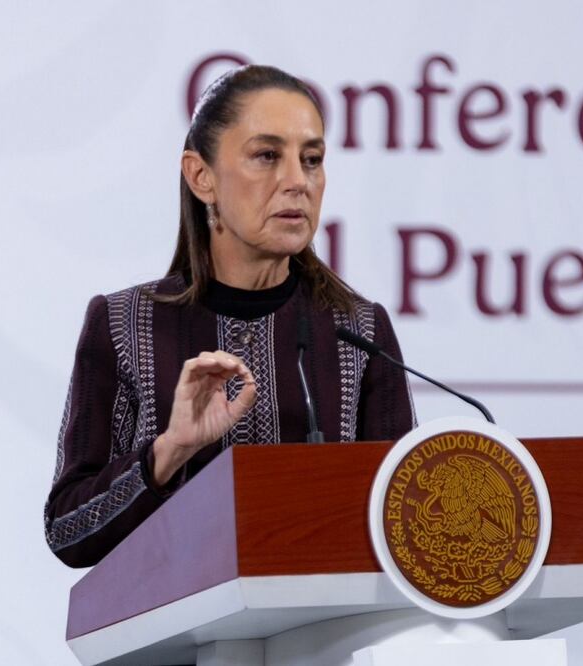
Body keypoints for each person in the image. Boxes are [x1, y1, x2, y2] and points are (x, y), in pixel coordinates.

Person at [44, 65, 416, 568]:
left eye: (312, 160)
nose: (296, 181)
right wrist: (170, 451)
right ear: (202, 176)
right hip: (180, 644)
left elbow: (408, 524)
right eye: (267, 156)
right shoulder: (124, 324)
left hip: (325, 642)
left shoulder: (360, 331)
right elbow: (68, 530)